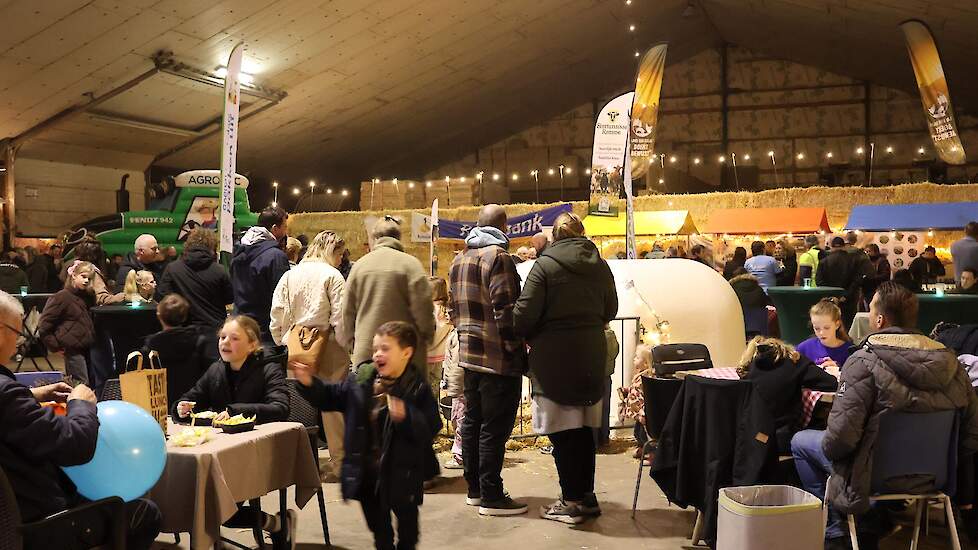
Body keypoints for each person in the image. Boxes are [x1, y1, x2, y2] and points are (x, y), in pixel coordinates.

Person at [790, 282, 978, 550]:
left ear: (878, 319)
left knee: (800, 441)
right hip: (936, 476)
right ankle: (867, 520)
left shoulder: (862, 362)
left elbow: (840, 439)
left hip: (871, 474)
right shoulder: (952, 363)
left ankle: (836, 529)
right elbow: (972, 433)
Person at [0, 291, 162, 549]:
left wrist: (31, 394)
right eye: (16, 332)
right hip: (41, 524)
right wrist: (80, 403)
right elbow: (76, 446)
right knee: (145, 513)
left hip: (14, 519)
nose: (18, 342)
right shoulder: (6, 394)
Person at [294, 321, 441, 550]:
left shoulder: (416, 387)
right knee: (379, 530)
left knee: (408, 529)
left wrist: (408, 415)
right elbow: (332, 396)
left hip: (402, 474)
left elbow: (432, 424)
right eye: (375, 349)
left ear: (406, 352)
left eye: (385, 348)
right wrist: (309, 383)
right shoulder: (361, 380)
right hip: (367, 474)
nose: (378, 354)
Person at [514, 212, 618, 524]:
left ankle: (571, 501)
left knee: (562, 433)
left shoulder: (544, 266)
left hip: (553, 358)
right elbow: (610, 308)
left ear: (555, 237)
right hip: (590, 353)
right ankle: (585, 496)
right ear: (582, 234)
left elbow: (523, 316)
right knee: (584, 430)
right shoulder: (599, 265)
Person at [174, 315, 294, 546]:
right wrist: (182, 407)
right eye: (222, 337)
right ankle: (277, 525)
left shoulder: (268, 367)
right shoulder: (216, 369)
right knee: (193, 498)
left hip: (256, 452)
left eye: (234, 338)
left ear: (253, 344)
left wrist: (236, 410)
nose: (224, 342)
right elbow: (192, 397)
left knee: (220, 509)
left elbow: (280, 408)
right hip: (220, 450)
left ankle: (279, 524)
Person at [449, 204, 527, 516]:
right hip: (496, 358)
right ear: (503, 226)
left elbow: (454, 309)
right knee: (495, 427)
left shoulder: (460, 258)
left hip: (469, 356)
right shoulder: (499, 258)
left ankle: (475, 490)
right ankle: (492, 494)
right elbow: (505, 309)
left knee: (473, 422)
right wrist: (514, 350)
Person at [270, 230, 349, 482]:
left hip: (296, 344)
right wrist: (347, 346)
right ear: (332, 251)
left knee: (300, 406)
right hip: (329, 346)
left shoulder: (289, 275)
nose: (340, 260)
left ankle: (300, 464)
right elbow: (341, 318)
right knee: (333, 408)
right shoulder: (332, 275)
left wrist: (283, 340)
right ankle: (340, 463)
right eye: (339, 255)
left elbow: (277, 313)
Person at [339, 217, 434, 372]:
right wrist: (427, 338)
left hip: (367, 353)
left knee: (368, 395)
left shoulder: (359, 266)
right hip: (404, 356)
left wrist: (353, 344)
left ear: (375, 238)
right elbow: (423, 310)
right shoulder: (411, 265)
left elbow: (347, 312)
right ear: (399, 237)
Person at [738, 336, 838, 453]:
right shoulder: (794, 361)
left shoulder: (747, 368)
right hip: (780, 439)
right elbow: (830, 383)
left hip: (751, 438)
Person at [231, 206, 291, 345]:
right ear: (275, 228)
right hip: (263, 333)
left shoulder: (239, 250)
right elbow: (282, 298)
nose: (286, 231)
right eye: (285, 226)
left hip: (239, 324)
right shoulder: (275, 256)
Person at [158, 227, 234, 334]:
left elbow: (163, 295)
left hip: (182, 330)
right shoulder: (220, 271)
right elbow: (229, 298)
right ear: (211, 246)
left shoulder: (172, 269)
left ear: (188, 244)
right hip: (214, 330)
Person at [142, 293, 210, 407]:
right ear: (184, 316)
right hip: (191, 403)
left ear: (159, 315)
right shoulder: (199, 341)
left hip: (161, 405)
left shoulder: (151, 346)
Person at [38, 260, 97, 384]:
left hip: (87, 347)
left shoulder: (88, 297)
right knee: (81, 382)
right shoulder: (62, 297)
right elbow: (44, 324)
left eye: (89, 278)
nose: (86, 280)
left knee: (88, 381)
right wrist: (55, 345)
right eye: (83, 276)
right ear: (74, 276)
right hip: (72, 348)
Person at [816, 237, 861, 327]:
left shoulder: (823, 262)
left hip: (829, 301)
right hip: (849, 301)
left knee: (830, 326)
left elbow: (819, 281)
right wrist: (844, 296)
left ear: (831, 247)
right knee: (848, 327)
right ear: (844, 246)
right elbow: (857, 281)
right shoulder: (853, 260)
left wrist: (832, 296)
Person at [796, 298, 852, 370]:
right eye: (817, 328)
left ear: (837, 325)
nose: (821, 333)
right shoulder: (804, 348)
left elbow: (855, 378)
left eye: (826, 328)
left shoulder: (849, 351)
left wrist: (838, 369)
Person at [70, 237, 125, 306]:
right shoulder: (92, 271)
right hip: (87, 310)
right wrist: (121, 296)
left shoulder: (72, 266)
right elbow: (101, 297)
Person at [441, 317, 463, 470]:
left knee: (460, 421)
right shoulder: (454, 333)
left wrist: (453, 387)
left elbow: (456, 365)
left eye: (452, 311)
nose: (448, 314)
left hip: (460, 389)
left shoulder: (458, 336)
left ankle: (461, 455)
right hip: (458, 387)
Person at [426, 277, 453, 396]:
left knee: (423, 389)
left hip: (426, 355)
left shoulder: (429, 310)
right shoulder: (449, 310)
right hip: (441, 356)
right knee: (435, 387)